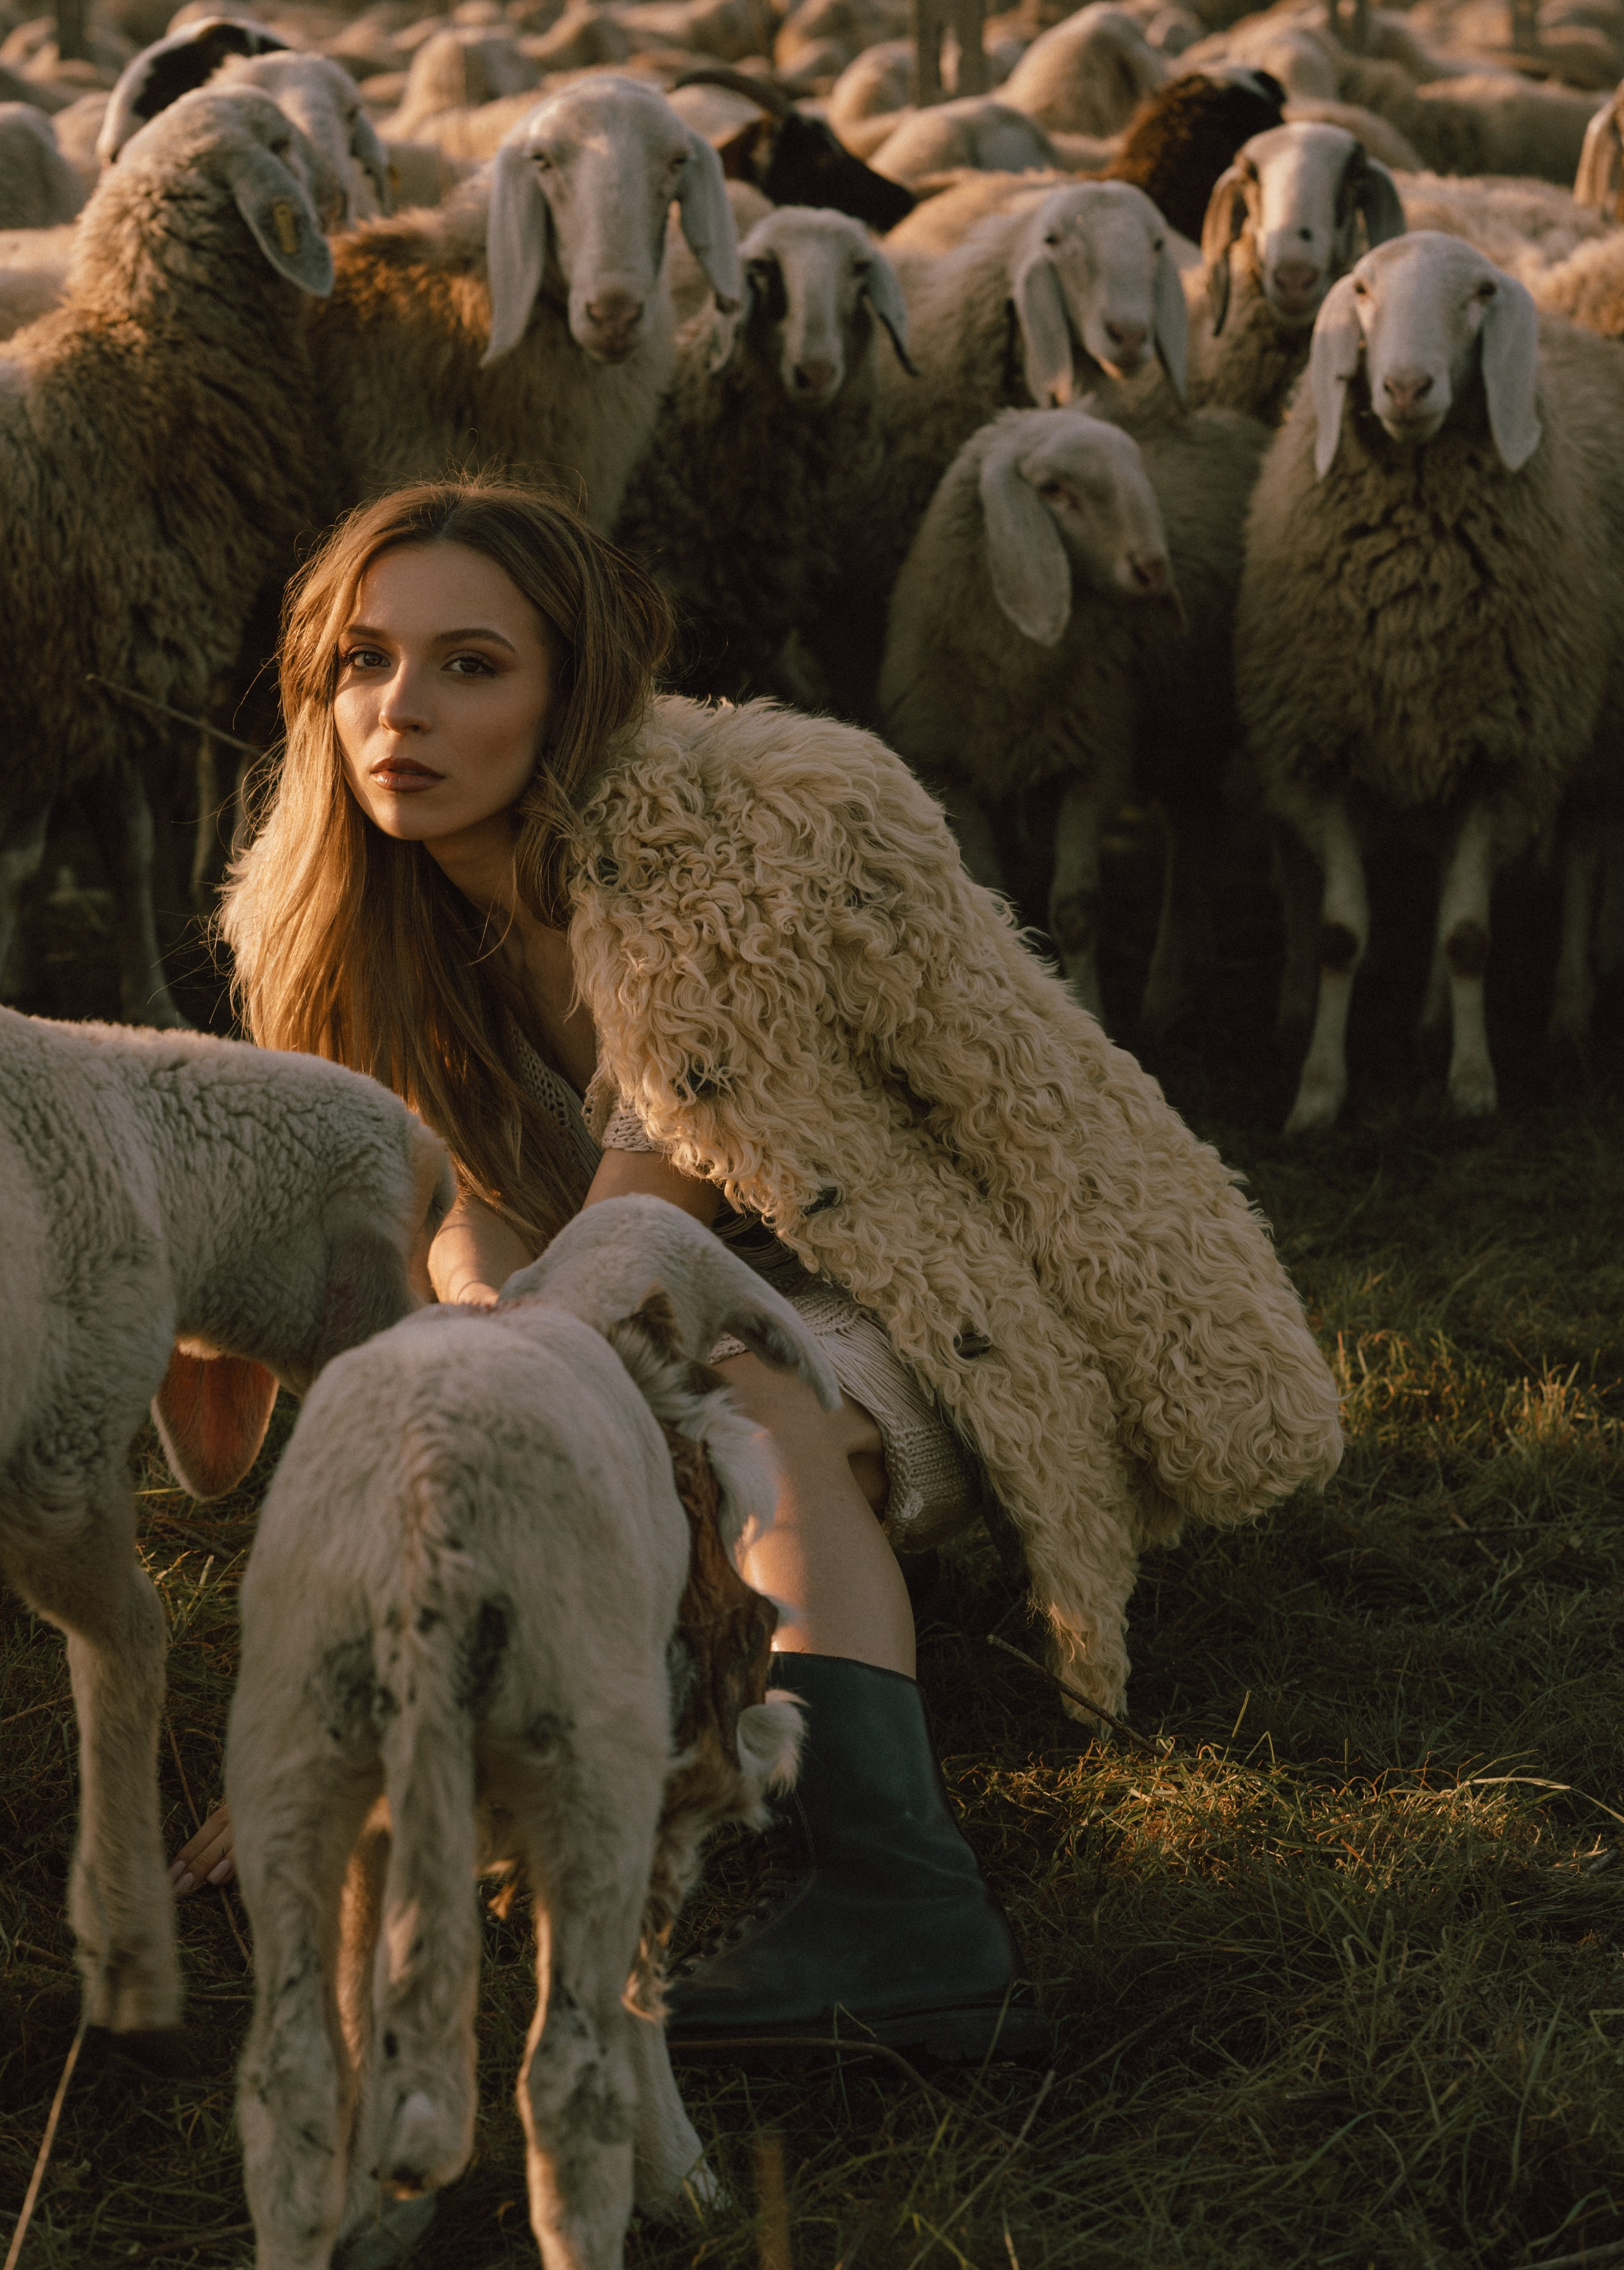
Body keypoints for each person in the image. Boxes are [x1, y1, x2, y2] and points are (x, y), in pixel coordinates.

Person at [173, 478, 1341, 2061]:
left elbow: (639, 1249)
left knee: (710, 1374)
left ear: (570, 684)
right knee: (588, 1393)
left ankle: (904, 1904)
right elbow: (460, 1234)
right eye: (362, 663)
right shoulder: (328, 923)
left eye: (469, 665)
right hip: (633, 1307)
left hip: (914, 1303)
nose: (400, 712)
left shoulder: (728, 853)